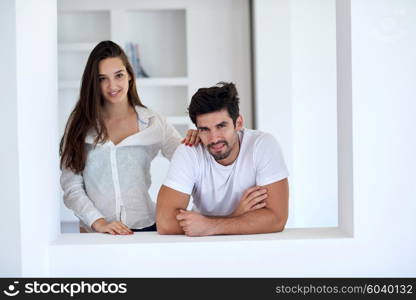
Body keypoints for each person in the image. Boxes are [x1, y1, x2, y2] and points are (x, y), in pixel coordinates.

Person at [60, 40, 199, 235]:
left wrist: (196, 139)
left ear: (130, 76)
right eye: (102, 79)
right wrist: (98, 223)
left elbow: (189, 162)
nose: (112, 85)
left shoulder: (153, 122)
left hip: (144, 229)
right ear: (94, 83)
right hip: (96, 234)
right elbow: (71, 187)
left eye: (119, 75)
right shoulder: (80, 125)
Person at [156, 82, 289, 236]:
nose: (214, 138)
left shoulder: (262, 145)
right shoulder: (189, 151)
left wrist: (209, 226)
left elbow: (277, 219)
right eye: (205, 129)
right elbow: (165, 223)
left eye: (221, 126)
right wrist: (234, 217)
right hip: (202, 247)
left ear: (238, 123)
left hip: (252, 246)